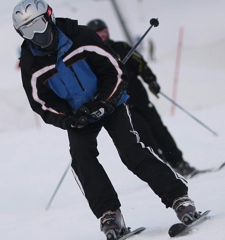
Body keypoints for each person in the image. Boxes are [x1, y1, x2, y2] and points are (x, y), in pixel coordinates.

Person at [12, 1, 201, 239]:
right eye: (27, 31)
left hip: (110, 104)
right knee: (81, 160)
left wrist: (105, 101)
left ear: (49, 18)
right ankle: (109, 213)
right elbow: (40, 102)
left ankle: (178, 198)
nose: (37, 35)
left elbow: (114, 70)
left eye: (38, 25)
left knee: (131, 150)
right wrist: (70, 119)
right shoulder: (31, 61)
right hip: (78, 116)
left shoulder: (79, 36)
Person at [87, 19, 197, 178]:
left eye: (104, 32)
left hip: (140, 98)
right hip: (122, 105)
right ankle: (164, 168)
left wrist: (150, 80)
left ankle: (179, 163)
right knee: (144, 135)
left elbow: (141, 64)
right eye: (98, 34)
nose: (103, 36)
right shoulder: (93, 57)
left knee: (159, 129)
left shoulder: (122, 47)